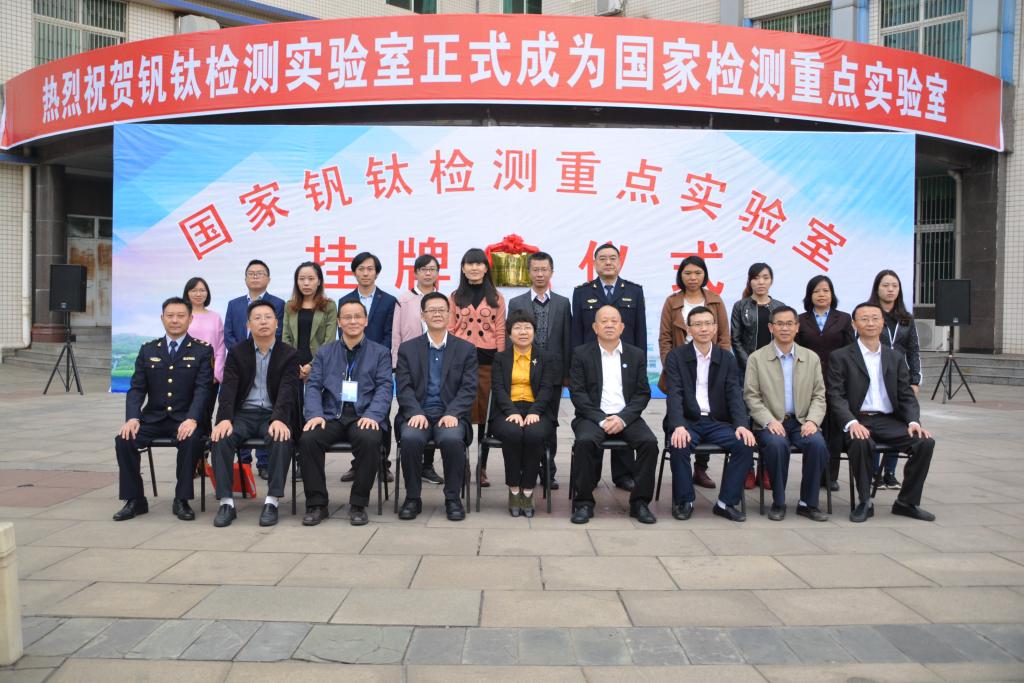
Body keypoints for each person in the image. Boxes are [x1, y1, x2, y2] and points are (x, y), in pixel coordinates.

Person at [828, 302, 936, 524]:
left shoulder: (894, 357)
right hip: (857, 420)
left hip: (887, 420)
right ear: (854, 324)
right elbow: (835, 396)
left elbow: (906, 395)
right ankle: (865, 501)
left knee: (924, 443)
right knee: (860, 442)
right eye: (864, 319)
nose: (870, 323)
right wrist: (850, 422)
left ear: (882, 323)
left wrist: (913, 421)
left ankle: (906, 502)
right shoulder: (840, 356)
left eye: (875, 318)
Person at [113, 297, 213, 521]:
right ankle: (135, 499)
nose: (175, 320)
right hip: (153, 418)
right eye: (170, 316)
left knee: (191, 440)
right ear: (162, 318)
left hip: (185, 419)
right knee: (124, 439)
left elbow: (203, 390)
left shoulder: (202, 351)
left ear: (190, 319)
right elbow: (137, 389)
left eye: (180, 316)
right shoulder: (148, 349)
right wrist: (132, 418)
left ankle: (182, 499)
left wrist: (193, 419)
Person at [298, 300, 393, 526]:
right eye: (347, 317)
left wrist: (373, 415)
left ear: (366, 321)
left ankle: (358, 504)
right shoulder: (325, 352)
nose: (353, 321)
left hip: (363, 415)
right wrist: (315, 414)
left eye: (358, 316)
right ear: (339, 322)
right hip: (331, 414)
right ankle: (317, 504)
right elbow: (313, 386)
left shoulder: (380, 352)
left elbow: (385, 387)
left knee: (370, 439)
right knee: (308, 439)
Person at [209, 300, 300, 528]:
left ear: (277, 323)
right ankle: (226, 502)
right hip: (244, 415)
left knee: (282, 438)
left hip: (272, 413)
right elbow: (228, 389)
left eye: (268, 317)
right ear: (248, 325)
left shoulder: (289, 354)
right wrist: (224, 419)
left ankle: (272, 501)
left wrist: (279, 419)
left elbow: (288, 391)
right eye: (257, 318)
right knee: (221, 438)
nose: (263, 322)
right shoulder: (237, 353)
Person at [662, 306, 755, 522]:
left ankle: (725, 503)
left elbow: (734, 394)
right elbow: (674, 393)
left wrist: (741, 425)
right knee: (679, 444)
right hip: (688, 421)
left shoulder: (726, 358)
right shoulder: (676, 357)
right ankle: (685, 501)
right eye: (697, 324)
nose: (703, 329)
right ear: (688, 330)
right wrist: (678, 425)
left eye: (707, 324)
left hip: (717, 422)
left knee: (745, 444)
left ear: (715, 328)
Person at [569, 305, 658, 525]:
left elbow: (642, 393)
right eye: (604, 321)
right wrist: (601, 419)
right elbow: (578, 393)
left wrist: (622, 418)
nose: (609, 325)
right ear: (595, 327)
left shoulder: (635, 354)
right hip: (592, 416)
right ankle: (583, 503)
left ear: (622, 326)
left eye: (614, 321)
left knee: (649, 443)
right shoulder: (581, 354)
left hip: (626, 416)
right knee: (584, 441)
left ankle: (639, 503)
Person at [395, 292, 478, 522]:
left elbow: (468, 389)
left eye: (442, 309)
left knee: (452, 440)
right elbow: (403, 387)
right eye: (432, 310)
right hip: (418, 413)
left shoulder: (465, 349)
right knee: (410, 438)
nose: (437, 314)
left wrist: (453, 413)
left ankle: (452, 498)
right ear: (423, 316)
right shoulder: (408, 349)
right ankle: (413, 498)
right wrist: (415, 412)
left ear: (450, 314)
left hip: (449, 414)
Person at [571, 243, 646, 493]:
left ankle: (623, 474)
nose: (608, 262)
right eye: (602, 258)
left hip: (626, 364)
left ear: (620, 262)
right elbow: (578, 332)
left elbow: (640, 331)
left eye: (613, 258)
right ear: (594, 263)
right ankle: (590, 476)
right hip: (591, 364)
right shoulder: (582, 292)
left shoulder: (634, 291)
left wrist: (639, 364)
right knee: (593, 418)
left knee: (623, 411)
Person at [743, 306, 830, 522]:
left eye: (789, 324)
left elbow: (819, 396)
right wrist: (768, 420)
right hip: (771, 422)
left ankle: (808, 503)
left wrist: (813, 421)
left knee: (817, 445)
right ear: (770, 327)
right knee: (776, 445)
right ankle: (779, 502)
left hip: (802, 422)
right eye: (779, 324)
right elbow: (751, 396)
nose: (784, 328)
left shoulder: (811, 358)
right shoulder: (756, 358)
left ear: (797, 327)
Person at [658, 255, 731, 491]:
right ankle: (683, 468)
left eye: (697, 273)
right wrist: (671, 366)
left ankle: (701, 468)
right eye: (687, 273)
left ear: (704, 275)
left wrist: (721, 365)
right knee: (684, 413)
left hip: (711, 365)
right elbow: (665, 339)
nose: (692, 277)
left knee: (710, 409)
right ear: (680, 275)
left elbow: (724, 337)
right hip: (681, 367)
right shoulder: (672, 302)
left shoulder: (715, 301)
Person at [507, 251, 572, 490]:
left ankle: (548, 471)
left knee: (549, 423)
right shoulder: (517, 303)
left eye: (544, 269)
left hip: (552, 375)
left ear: (551, 272)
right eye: (535, 269)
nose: (540, 274)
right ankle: (524, 469)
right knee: (523, 423)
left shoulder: (563, 303)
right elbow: (510, 338)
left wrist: (566, 375)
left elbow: (567, 340)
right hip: (522, 373)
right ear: (528, 272)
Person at [489, 309, 560, 517]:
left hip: (537, 409)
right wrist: (511, 411)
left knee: (534, 434)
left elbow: (547, 388)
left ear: (534, 332)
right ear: (509, 333)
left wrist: (535, 411)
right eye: (517, 328)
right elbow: (498, 388)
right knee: (512, 433)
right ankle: (513, 489)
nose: (523, 332)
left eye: (527, 328)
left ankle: (528, 491)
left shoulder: (545, 357)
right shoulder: (500, 358)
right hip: (506, 410)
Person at [338, 252, 397, 484]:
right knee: (354, 412)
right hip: (351, 365)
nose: (365, 273)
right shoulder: (345, 300)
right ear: (354, 272)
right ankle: (358, 464)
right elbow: (342, 333)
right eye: (361, 269)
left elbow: (390, 334)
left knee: (380, 414)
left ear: (377, 272)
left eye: (370, 269)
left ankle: (383, 464)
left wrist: (376, 356)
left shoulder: (389, 300)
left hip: (378, 363)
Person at [448, 248, 506, 488]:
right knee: (461, 415)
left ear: (485, 268)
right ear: (463, 268)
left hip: (488, 363)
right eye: (469, 264)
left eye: (478, 264)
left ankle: (482, 467)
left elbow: (500, 330)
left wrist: (501, 362)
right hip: (461, 364)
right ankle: (462, 464)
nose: (474, 268)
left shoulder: (497, 297)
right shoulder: (455, 296)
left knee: (485, 418)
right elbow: (450, 329)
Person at [224, 259, 285, 480]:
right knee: (242, 409)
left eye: (260, 273)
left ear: (268, 278)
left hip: (268, 361)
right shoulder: (234, 304)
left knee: (266, 410)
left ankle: (264, 462)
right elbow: (229, 334)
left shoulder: (279, 304)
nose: (255, 276)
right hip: (241, 366)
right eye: (251, 273)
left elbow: (279, 332)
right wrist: (243, 355)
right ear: (245, 278)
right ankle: (244, 462)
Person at [796, 275, 855, 492]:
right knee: (811, 429)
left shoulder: (844, 319)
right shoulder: (800, 320)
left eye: (826, 290)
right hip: (807, 381)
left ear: (832, 294)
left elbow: (851, 350)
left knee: (834, 431)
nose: (821, 295)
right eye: (817, 291)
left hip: (836, 381)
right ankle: (811, 475)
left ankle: (830, 476)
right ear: (809, 295)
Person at [730, 262, 785, 490]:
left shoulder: (779, 307)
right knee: (746, 418)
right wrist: (752, 365)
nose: (760, 282)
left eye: (765, 277)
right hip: (746, 371)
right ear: (749, 281)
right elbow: (735, 339)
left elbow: (784, 339)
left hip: (774, 371)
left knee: (770, 418)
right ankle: (747, 469)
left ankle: (766, 468)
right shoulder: (740, 306)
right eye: (756, 278)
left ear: (771, 280)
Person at [867, 269, 923, 490]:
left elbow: (914, 350)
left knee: (900, 423)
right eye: (885, 285)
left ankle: (889, 472)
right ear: (877, 288)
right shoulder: (870, 315)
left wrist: (915, 380)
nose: (890, 290)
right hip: (874, 377)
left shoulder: (906, 319)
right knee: (874, 422)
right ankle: (874, 472)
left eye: (894, 286)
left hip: (900, 379)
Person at [391, 253, 444, 485]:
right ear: (415, 273)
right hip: (410, 362)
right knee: (415, 409)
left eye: (432, 269)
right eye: (424, 269)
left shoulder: (442, 300)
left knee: (434, 408)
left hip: (436, 361)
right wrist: (395, 362)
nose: (428, 273)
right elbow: (396, 333)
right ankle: (415, 465)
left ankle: (427, 466)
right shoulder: (403, 300)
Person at [283, 261, 338, 383]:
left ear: (319, 281)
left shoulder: (329, 306)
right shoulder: (289, 306)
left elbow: (329, 341)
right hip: (294, 367)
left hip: (320, 365)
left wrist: (311, 365)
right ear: (297, 282)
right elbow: (286, 338)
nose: (306, 283)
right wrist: (294, 363)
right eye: (301, 279)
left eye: (311, 279)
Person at [183, 277, 225, 384]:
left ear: (207, 293)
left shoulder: (215, 317)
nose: (198, 294)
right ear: (187, 293)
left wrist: (217, 373)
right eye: (194, 290)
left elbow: (221, 347)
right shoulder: (182, 316)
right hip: (184, 370)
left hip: (209, 372)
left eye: (202, 290)